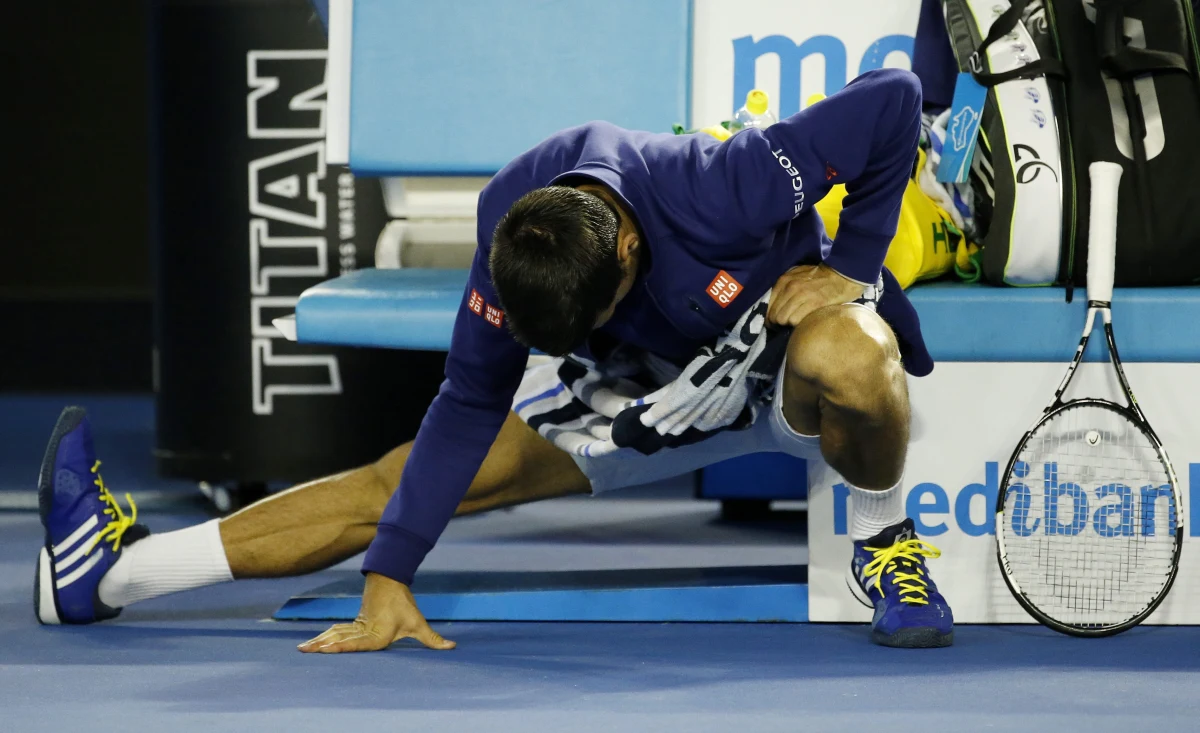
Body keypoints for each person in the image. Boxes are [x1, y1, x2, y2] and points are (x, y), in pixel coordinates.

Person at [34, 68, 953, 650]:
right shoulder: (515, 236)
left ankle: (884, 542)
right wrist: (391, 577)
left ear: (627, 253)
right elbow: (468, 402)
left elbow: (894, 102)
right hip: (630, 395)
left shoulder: (723, 186)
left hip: (779, 369)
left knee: (856, 353)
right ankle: (111, 573)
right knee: (390, 486)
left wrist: (851, 270)